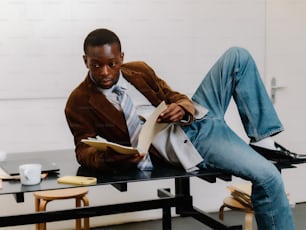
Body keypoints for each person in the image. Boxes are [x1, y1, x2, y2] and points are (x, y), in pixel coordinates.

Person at [65, 28, 305, 229]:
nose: (105, 72)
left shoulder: (139, 70)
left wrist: (181, 106)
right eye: (96, 65)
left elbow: (175, 95)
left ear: (122, 58)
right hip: (196, 140)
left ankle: (263, 142)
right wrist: (113, 157)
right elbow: (83, 150)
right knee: (269, 177)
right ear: (85, 60)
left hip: (197, 116)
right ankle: (263, 154)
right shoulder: (79, 101)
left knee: (237, 56)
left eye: (112, 64)